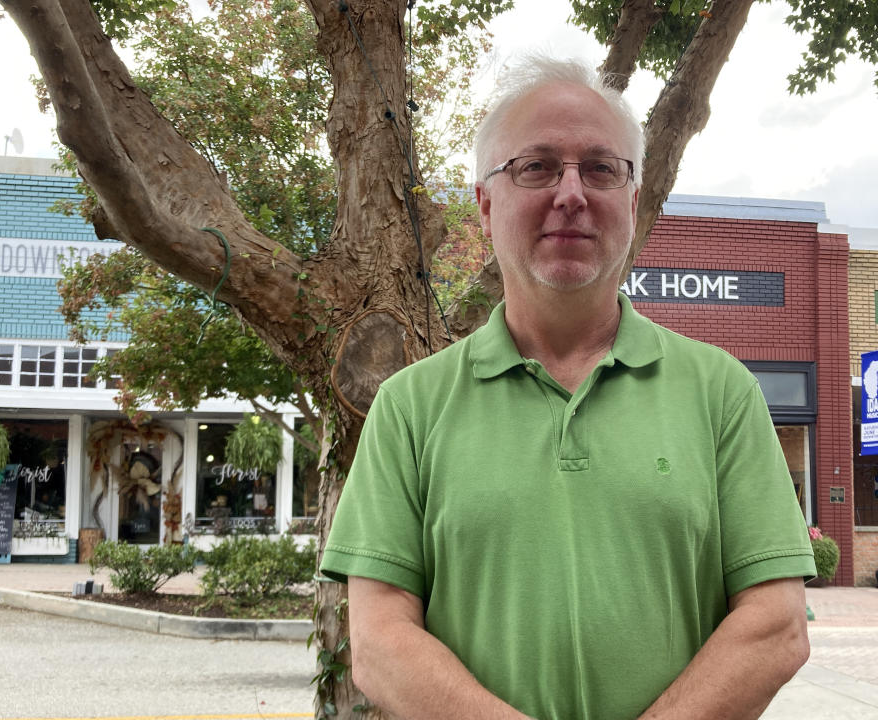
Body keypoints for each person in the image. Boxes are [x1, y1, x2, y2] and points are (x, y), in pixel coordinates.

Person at [319, 55, 816, 720]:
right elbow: (379, 641)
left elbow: (776, 626)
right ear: (486, 203)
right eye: (538, 166)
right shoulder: (410, 407)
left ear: (633, 202)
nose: (572, 193)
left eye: (601, 168)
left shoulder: (721, 392)